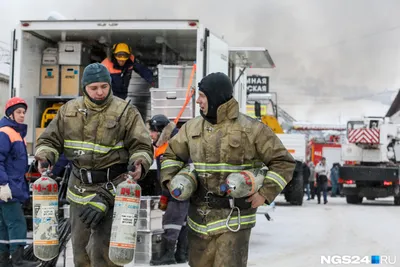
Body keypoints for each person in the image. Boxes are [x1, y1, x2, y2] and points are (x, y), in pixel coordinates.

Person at [160, 72, 296, 267]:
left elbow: (283, 162)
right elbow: (171, 155)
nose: (198, 101)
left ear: (215, 98)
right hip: (198, 220)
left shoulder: (251, 129)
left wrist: (265, 194)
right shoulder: (191, 128)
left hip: (234, 221)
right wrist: (170, 181)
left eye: (202, 96)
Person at [35, 63, 154, 267]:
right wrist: (45, 156)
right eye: (94, 88)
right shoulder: (68, 111)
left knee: (102, 253)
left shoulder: (126, 112)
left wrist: (139, 162)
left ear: (109, 85)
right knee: (81, 253)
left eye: (104, 87)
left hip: (111, 189)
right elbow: (49, 140)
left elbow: (142, 146)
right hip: (78, 191)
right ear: (84, 88)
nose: (100, 92)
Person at [146, 114, 189, 265]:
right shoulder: (169, 141)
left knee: (171, 221)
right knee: (182, 222)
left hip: (177, 190)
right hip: (180, 189)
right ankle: (182, 254)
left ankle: (167, 254)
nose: (150, 135)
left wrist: (166, 194)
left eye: (151, 131)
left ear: (159, 130)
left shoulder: (172, 143)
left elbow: (168, 173)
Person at [0, 97, 37, 267]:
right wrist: (3, 184)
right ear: (10, 114)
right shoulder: (6, 132)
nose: (22, 115)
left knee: (4, 224)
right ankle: (18, 260)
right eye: (19, 112)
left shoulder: (17, 134)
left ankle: (3, 259)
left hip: (12, 185)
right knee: (17, 222)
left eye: (24, 112)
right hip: (8, 187)